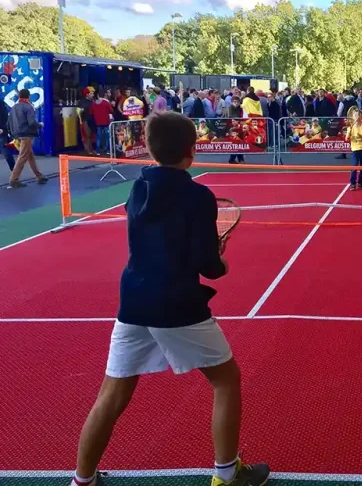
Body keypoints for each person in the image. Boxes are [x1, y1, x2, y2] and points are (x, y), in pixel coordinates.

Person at [68, 112, 268, 486]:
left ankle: (82, 480)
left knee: (111, 394)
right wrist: (219, 258)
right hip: (176, 303)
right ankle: (227, 475)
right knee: (226, 380)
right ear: (192, 151)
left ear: (149, 148)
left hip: (133, 300)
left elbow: (159, 236)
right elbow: (208, 266)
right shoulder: (197, 196)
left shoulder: (138, 188)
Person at [7, 88, 47, 188]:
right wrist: (40, 125)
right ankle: (13, 180)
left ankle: (39, 176)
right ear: (28, 96)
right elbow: (31, 122)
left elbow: (9, 122)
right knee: (23, 157)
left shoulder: (14, 107)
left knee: (30, 156)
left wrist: (12, 134)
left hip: (18, 134)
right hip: (27, 134)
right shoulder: (28, 107)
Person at [346, 108, 362, 191]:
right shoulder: (350, 128)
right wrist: (349, 134)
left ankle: (360, 182)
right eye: (355, 115)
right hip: (355, 150)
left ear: (361, 117)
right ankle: (352, 183)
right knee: (354, 166)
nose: (356, 116)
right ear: (352, 117)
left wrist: (361, 137)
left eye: (358, 115)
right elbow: (347, 139)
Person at [223, 97, 245, 164]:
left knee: (239, 142)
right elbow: (231, 116)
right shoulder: (230, 108)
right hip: (231, 126)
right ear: (232, 102)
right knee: (235, 142)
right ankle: (234, 159)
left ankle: (240, 159)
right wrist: (239, 118)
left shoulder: (240, 108)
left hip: (237, 125)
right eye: (235, 101)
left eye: (237, 102)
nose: (236, 103)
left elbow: (241, 115)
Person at [78, 87, 97, 156]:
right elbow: (79, 111)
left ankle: (92, 149)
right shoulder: (82, 102)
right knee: (87, 136)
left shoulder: (93, 101)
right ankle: (88, 150)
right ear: (87, 94)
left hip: (93, 119)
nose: (92, 95)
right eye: (91, 93)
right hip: (85, 120)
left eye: (93, 93)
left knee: (92, 135)